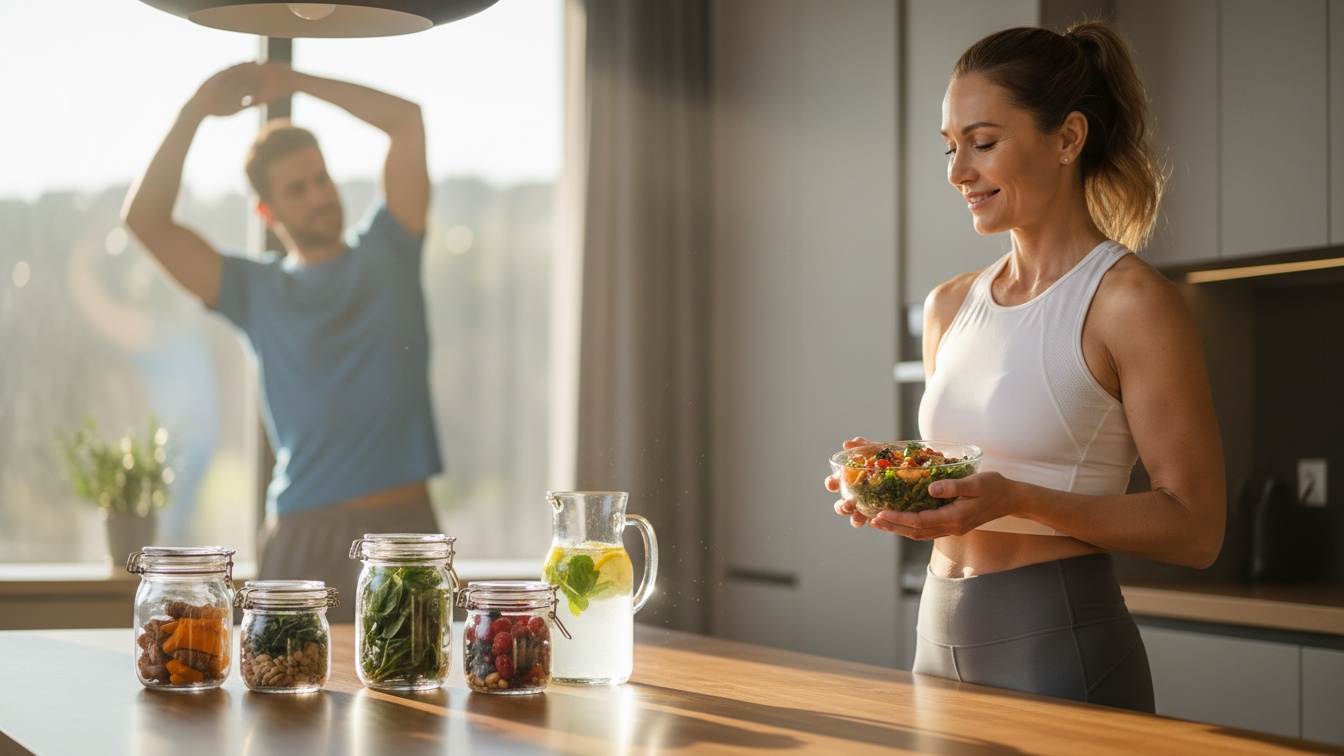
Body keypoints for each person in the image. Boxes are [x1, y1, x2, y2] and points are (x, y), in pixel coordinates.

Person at [826, 22, 1225, 713]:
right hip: (936, 638)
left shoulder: (1129, 303)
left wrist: (1019, 499)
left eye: (982, 143)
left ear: (1068, 138)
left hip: (1060, 645)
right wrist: (900, 473)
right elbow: (978, 460)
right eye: (950, 147)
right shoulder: (950, 305)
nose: (957, 172)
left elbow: (1197, 529)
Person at [123, 62, 442, 622]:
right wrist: (194, 112)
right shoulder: (253, 290)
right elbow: (145, 221)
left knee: (421, 674)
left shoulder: (391, 250)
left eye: (321, 178)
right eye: (297, 189)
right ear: (267, 212)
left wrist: (295, 82)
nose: (319, 196)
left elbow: (407, 122)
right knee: (282, 680)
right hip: (303, 535)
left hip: (403, 532)